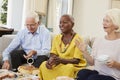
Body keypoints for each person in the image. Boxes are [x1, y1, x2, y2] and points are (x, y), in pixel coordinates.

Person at [75, 8, 120, 80]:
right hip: (97, 73)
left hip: (113, 77)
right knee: (82, 73)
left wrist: (115, 64)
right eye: (103, 20)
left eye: (107, 21)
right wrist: (84, 51)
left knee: (93, 78)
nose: (103, 23)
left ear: (116, 24)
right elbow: (92, 62)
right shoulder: (98, 40)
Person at [39, 14, 87, 80]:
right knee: (43, 64)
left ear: (72, 25)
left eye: (65, 22)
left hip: (72, 64)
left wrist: (61, 60)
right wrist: (50, 61)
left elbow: (76, 60)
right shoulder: (57, 38)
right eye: (60, 23)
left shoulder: (78, 39)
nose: (61, 25)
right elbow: (53, 53)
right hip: (59, 63)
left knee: (68, 68)